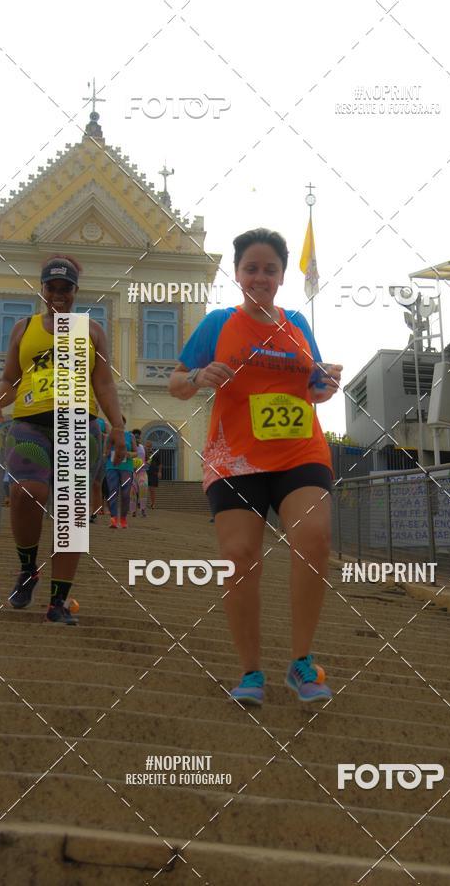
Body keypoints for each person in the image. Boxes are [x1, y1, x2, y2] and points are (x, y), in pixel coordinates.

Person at [168, 228, 342, 706]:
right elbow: (176, 383)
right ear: (239, 274)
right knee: (241, 557)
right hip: (236, 459)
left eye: (270, 269)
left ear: (282, 276)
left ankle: (301, 663)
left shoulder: (298, 325)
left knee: (315, 539)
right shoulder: (218, 325)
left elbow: (316, 389)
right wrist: (201, 376)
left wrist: (326, 383)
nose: (260, 276)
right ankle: (250, 672)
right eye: (251, 268)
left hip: (299, 452)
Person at [0, 255, 126, 624]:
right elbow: (10, 379)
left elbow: (104, 383)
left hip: (80, 425)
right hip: (31, 423)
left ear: (76, 291)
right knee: (26, 492)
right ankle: (28, 569)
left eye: (66, 288)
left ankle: (57, 602)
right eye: (52, 288)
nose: (59, 295)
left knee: (72, 515)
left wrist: (117, 425)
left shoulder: (92, 330)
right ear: (42, 289)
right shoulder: (23, 328)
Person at [105, 416, 137, 528]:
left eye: (120, 423)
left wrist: (128, 454)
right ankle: (113, 519)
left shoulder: (130, 436)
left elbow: (136, 452)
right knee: (112, 491)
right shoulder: (110, 436)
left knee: (125, 494)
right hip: (112, 466)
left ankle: (123, 518)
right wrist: (110, 453)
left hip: (126, 467)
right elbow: (106, 451)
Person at [90, 416, 108, 523]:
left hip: (98, 456)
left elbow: (109, 436)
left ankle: (94, 514)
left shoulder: (102, 422)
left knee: (96, 485)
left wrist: (102, 435)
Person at [130, 429, 148, 517]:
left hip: (142, 472)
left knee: (143, 488)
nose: (137, 439)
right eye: (135, 437)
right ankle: (133, 511)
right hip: (132, 472)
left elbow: (147, 459)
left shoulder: (143, 447)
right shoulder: (129, 448)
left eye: (138, 437)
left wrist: (147, 463)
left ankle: (143, 509)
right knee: (132, 491)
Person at [146, 441, 161, 509]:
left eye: (149, 446)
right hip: (144, 473)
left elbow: (160, 464)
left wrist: (159, 472)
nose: (148, 448)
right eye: (147, 446)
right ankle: (140, 503)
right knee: (142, 489)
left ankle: (153, 504)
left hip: (153, 473)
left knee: (152, 490)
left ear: (151, 446)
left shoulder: (156, 454)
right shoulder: (143, 453)